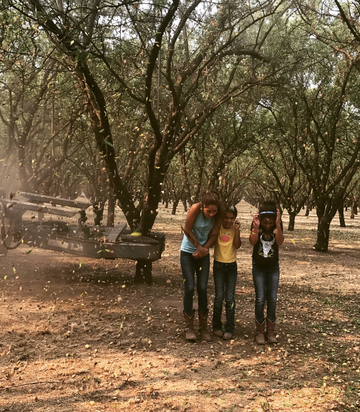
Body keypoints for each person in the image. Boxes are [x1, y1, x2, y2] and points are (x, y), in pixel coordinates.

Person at [181, 190, 222, 342]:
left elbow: (214, 235)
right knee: (189, 287)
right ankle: (188, 327)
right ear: (202, 206)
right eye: (208, 211)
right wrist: (198, 246)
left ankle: (203, 328)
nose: (211, 214)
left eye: (214, 211)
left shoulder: (218, 214)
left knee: (203, 288)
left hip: (203, 253)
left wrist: (204, 250)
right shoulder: (194, 209)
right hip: (188, 253)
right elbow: (186, 229)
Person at [249, 201, 284, 344]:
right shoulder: (256, 225)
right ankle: (259, 331)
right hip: (259, 267)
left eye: (271, 217)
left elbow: (280, 242)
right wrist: (256, 227)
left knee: (272, 299)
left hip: (273, 267)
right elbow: (252, 242)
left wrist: (278, 225)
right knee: (260, 298)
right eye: (265, 218)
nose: (268, 221)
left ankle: (270, 331)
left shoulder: (277, 226)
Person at [212, 204, 241, 340]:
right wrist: (217, 225)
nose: (228, 221)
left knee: (230, 298)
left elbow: (237, 245)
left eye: (231, 218)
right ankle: (216, 326)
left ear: (235, 219)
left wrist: (237, 231)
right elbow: (212, 243)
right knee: (218, 297)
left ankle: (229, 327)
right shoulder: (218, 228)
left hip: (231, 267)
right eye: (226, 218)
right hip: (218, 265)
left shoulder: (235, 230)